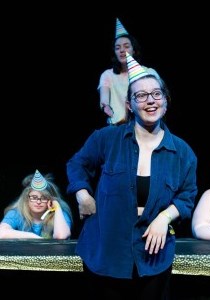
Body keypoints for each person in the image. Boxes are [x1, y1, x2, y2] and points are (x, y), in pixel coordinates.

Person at [66, 52, 198, 299]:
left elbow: (187, 195)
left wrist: (164, 218)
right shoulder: (107, 138)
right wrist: (82, 194)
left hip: (152, 256)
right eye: (141, 95)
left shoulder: (182, 152)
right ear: (129, 105)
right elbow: (77, 164)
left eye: (156, 94)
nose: (150, 101)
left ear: (166, 100)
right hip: (106, 252)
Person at [97, 18, 160, 125]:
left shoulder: (149, 72)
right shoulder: (107, 75)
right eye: (118, 48)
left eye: (126, 46)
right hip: (117, 127)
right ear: (115, 52)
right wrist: (106, 107)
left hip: (144, 126)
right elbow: (104, 99)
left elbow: (159, 97)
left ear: (134, 50)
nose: (122, 50)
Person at [0, 169, 72, 239]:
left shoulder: (59, 214)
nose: (38, 202)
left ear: (50, 200)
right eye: (34, 197)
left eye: (44, 198)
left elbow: (61, 236)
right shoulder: (16, 213)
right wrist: (34, 237)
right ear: (26, 198)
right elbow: (1, 233)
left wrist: (57, 206)